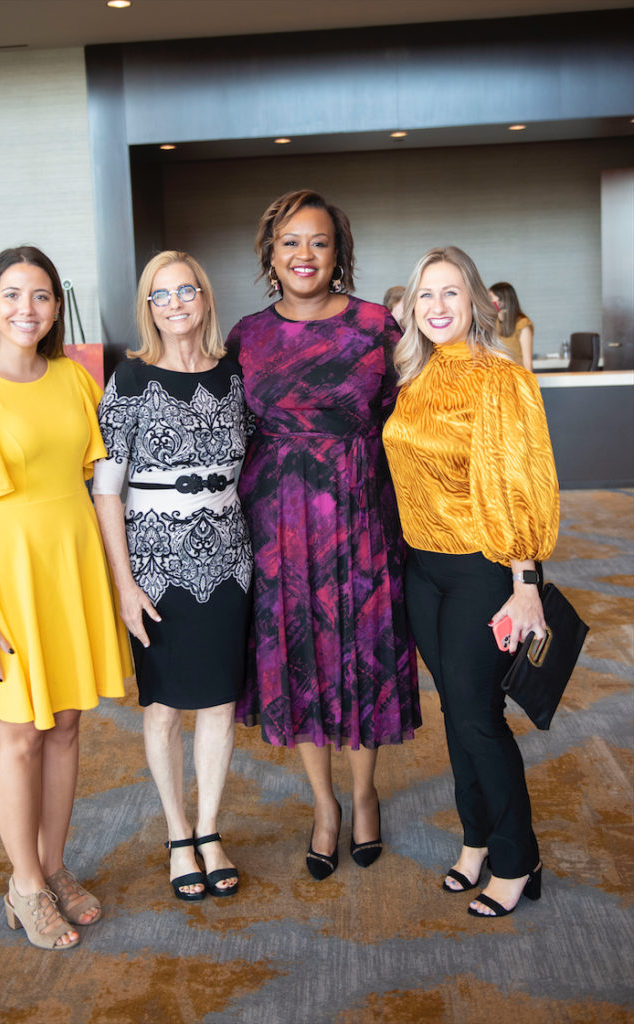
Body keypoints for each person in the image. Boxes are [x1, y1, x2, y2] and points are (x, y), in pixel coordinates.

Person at [0, 246, 132, 950]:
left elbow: (96, 476)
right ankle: (25, 884)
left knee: (67, 726)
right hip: (1, 580)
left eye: (40, 296)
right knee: (20, 735)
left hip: (65, 570)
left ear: (54, 307)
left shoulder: (73, 378)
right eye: (12, 295)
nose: (26, 309)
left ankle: (52, 864)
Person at [227, 189, 420, 881]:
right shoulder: (246, 336)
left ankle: (364, 794)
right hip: (277, 523)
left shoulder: (376, 326)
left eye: (318, 242)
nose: (303, 255)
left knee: (363, 655)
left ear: (338, 254)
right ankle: (324, 806)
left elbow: (412, 419)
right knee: (300, 661)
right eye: (290, 243)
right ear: (269, 255)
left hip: (362, 516)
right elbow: (230, 432)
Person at [383, 246, 559, 918]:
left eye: (449, 293)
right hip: (420, 570)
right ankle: (475, 840)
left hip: (482, 571)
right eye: (425, 295)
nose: (436, 307)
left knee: (479, 719)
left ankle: (518, 858)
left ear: (477, 301)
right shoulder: (412, 377)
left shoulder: (499, 379)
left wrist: (525, 580)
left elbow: (522, 482)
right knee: (456, 715)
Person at [93, 251, 252, 902]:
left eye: (187, 290)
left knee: (218, 703)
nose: (177, 303)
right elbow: (106, 491)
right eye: (162, 295)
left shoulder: (236, 375)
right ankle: (177, 833)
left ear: (205, 298)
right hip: (155, 566)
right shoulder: (128, 381)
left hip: (227, 561)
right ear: (148, 308)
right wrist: (123, 584)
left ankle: (210, 828)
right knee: (161, 708)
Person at [489, 281, 534, 370]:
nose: (488, 301)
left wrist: (528, 383)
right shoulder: (492, 323)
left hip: (516, 377)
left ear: (502, 301)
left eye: (490, 298)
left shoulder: (522, 324)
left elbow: (527, 361)